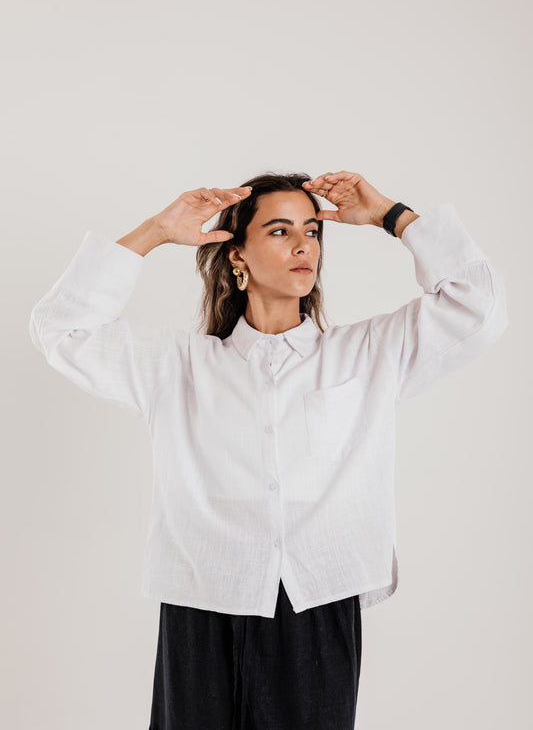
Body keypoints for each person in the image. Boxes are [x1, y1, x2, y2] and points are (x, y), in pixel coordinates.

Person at [29, 170, 508, 729]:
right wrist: (156, 231)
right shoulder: (179, 367)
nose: (304, 244)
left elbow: (480, 305)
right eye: (280, 231)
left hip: (318, 606)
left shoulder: (367, 354)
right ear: (238, 256)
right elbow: (61, 329)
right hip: (203, 603)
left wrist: (390, 215)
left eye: (311, 230)